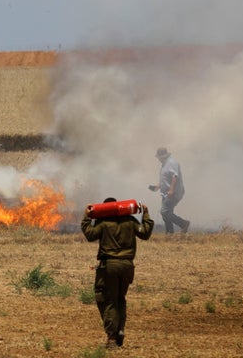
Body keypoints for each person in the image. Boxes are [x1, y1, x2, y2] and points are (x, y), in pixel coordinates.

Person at [81, 197, 154, 349]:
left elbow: (90, 234)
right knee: (120, 299)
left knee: (107, 300)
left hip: (109, 267)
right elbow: (145, 233)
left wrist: (86, 217)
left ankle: (112, 338)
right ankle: (120, 329)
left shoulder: (104, 223)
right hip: (127, 266)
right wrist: (145, 214)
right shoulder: (130, 220)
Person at [149, 147, 190, 234]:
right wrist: (156, 187)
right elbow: (165, 179)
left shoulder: (171, 163)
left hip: (174, 192)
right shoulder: (164, 164)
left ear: (163, 156)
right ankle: (170, 233)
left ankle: (183, 223)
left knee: (164, 211)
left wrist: (171, 190)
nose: (158, 159)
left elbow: (175, 176)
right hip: (166, 193)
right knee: (166, 213)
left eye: (159, 157)